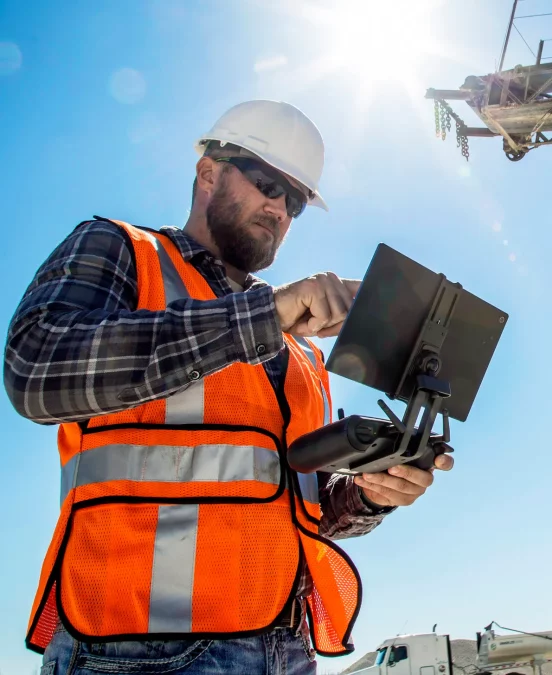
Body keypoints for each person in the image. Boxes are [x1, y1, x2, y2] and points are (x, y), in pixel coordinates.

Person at [3, 99, 453, 674]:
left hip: (282, 649)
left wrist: (368, 493)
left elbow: (298, 506)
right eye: (267, 183)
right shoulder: (123, 250)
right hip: (135, 651)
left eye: (294, 202)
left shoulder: (299, 349)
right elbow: (38, 369)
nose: (279, 209)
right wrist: (262, 316)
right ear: (208, 173)